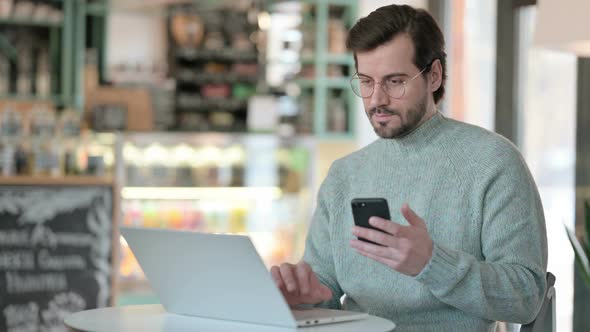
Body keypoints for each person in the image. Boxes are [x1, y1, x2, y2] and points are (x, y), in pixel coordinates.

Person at [270, 4, 548, 331]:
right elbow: (325, 291)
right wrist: (304, 297)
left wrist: (432, 264)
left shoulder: (493, 161)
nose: (376, 100)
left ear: (434, 75)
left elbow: (525, 296)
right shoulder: (344, 175)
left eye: (395, 81)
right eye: (366, 81)